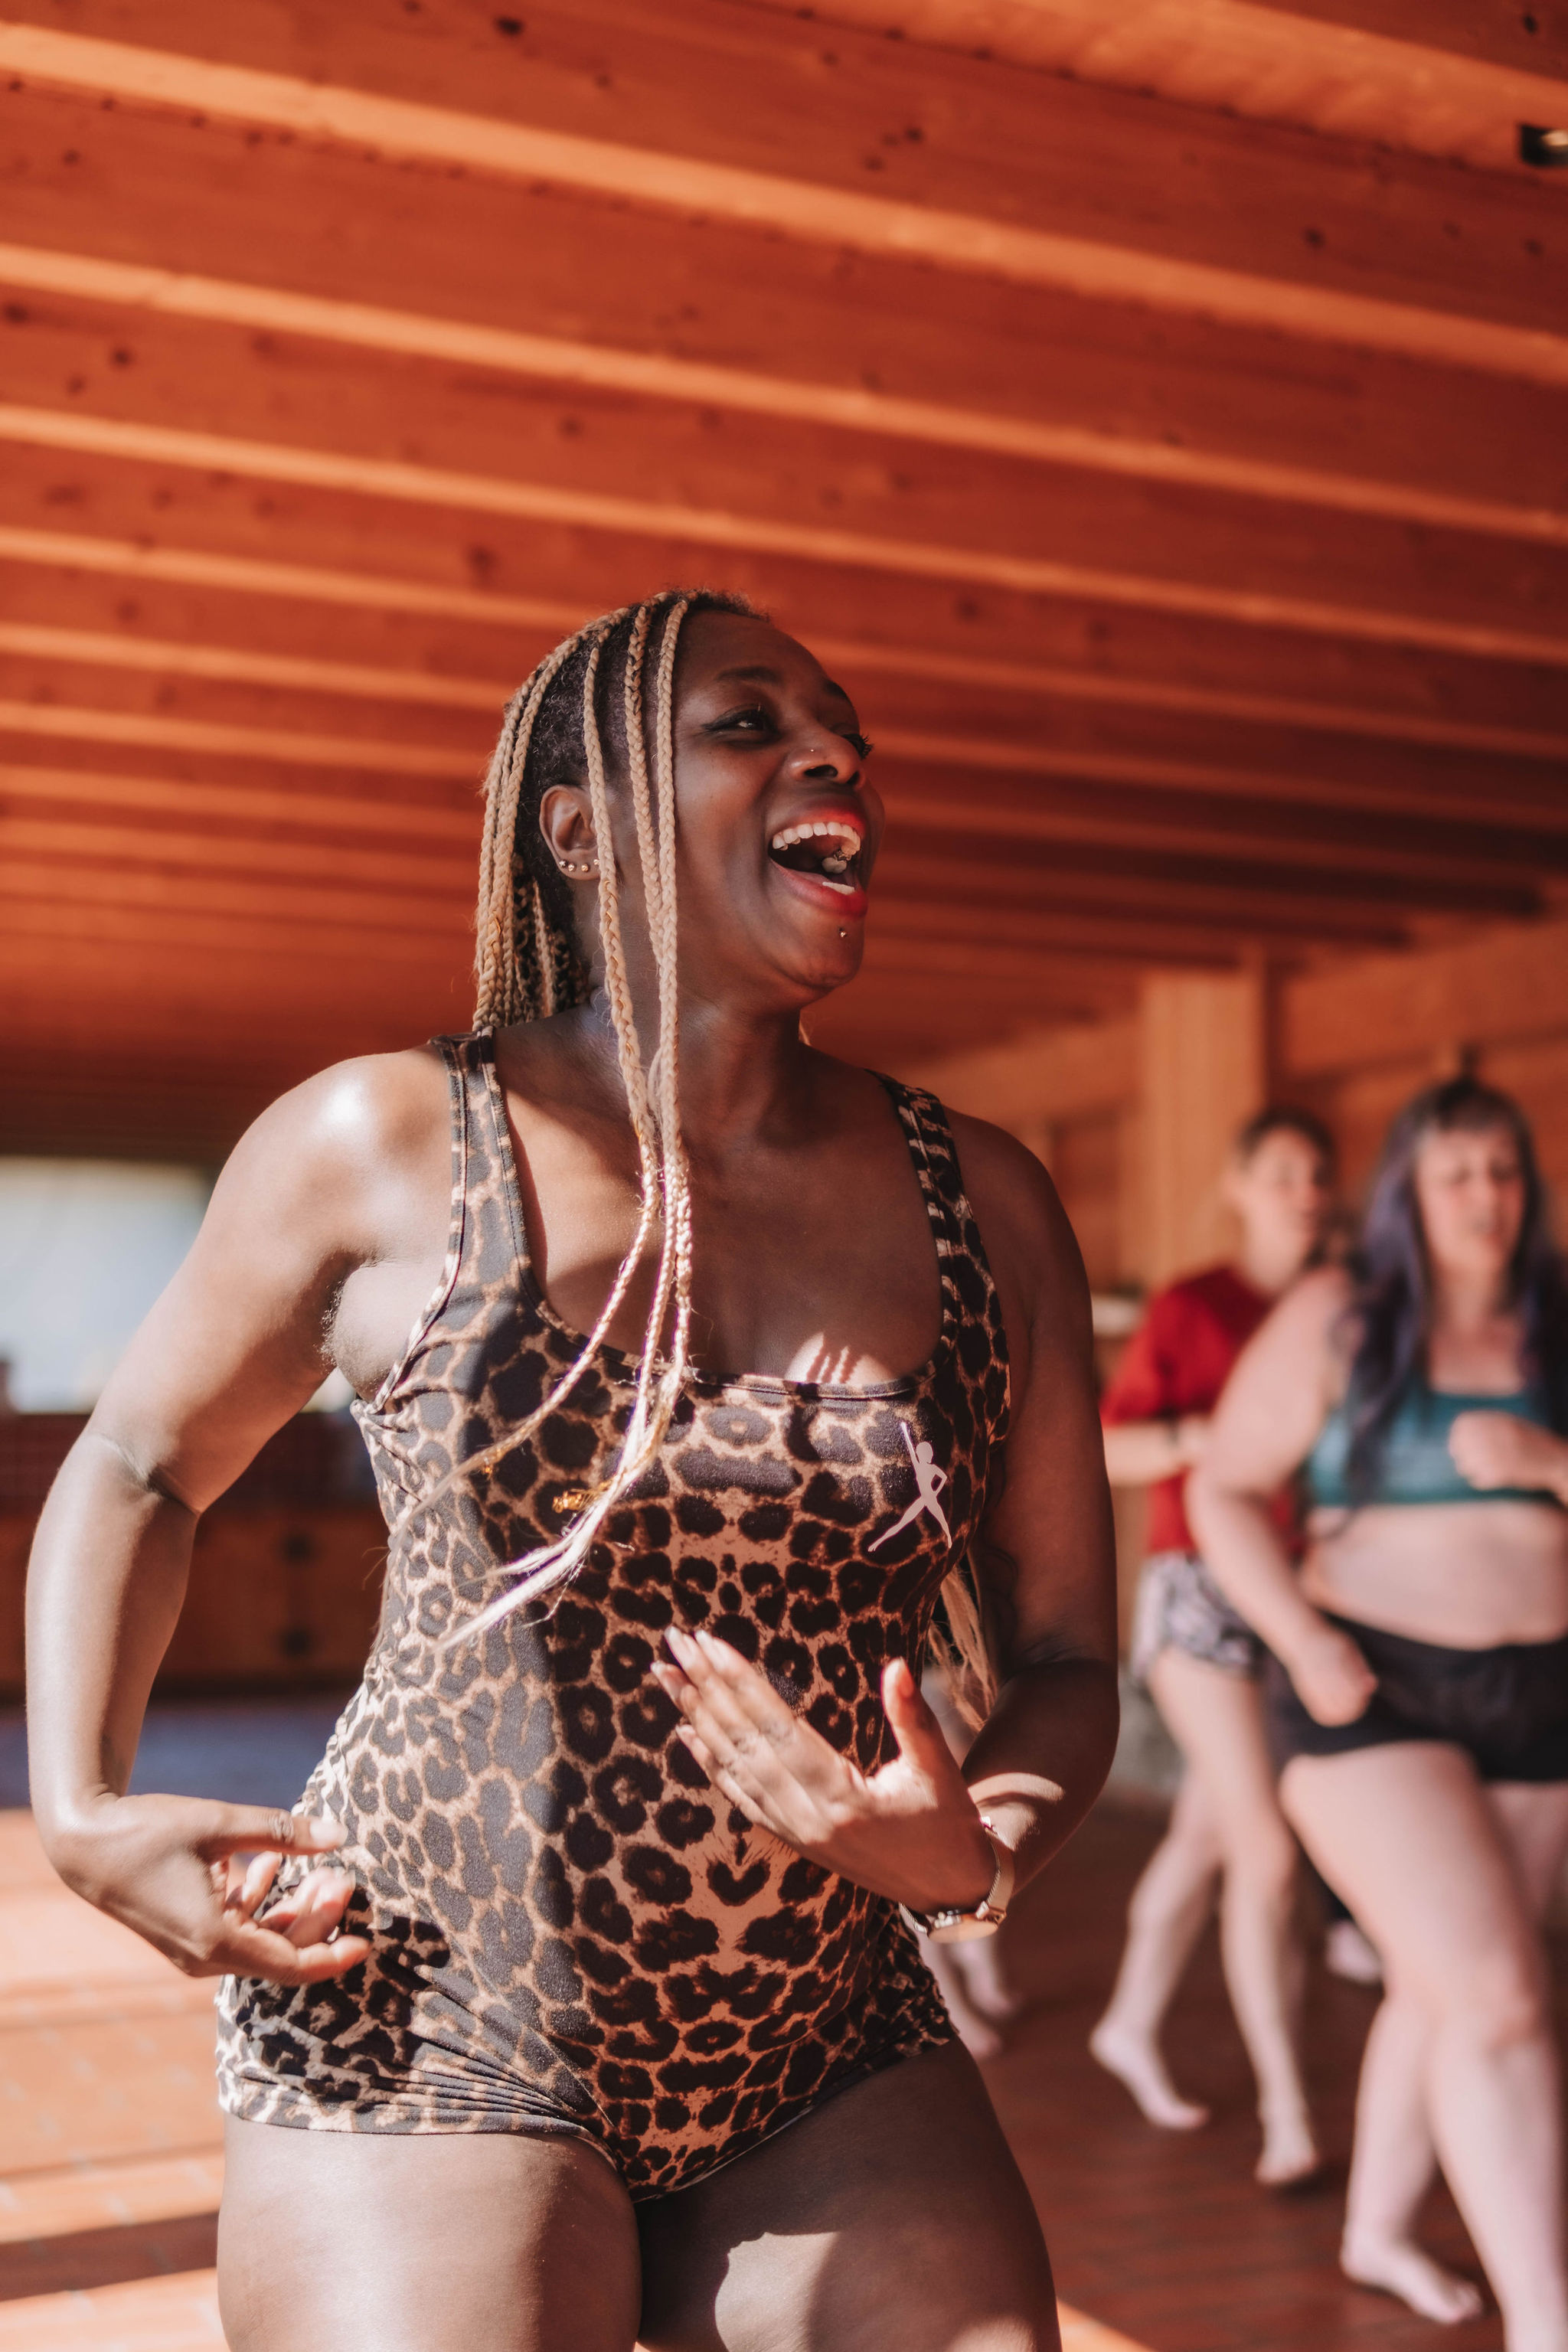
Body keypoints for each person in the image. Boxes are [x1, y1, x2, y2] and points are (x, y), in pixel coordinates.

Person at [25, 591, 1119, 2352]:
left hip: (817, 2033)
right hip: (427, 2002)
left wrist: (978, 1842)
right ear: (582, 829)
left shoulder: (982, 1199)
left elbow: (1064, 1652)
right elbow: (143, 1462)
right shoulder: (383, 1138)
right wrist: (79, 1817)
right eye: (749, 725)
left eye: (840, 726)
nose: (831, 752)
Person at [1191, 1077, 1568, 2347]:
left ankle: (1376, 2232)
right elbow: (1226, 1490)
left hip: (1543, 1695)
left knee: (1440, 1983)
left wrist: (1550, 1463)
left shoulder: (1555, 1326)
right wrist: (1299, 1640)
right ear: (1408, 1191)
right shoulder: (1342, 1318)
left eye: (1504, 1170)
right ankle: (1546, 2319)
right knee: (1500, 1990)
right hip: (1373, 1685)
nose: (1486, 1197)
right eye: (1456, 1172)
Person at [1089, 1108, 1334, 2186]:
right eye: (1282, 1173)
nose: (1305, 1191)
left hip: (1300, 1595)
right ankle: (1290, 2112)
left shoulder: (1350, 1307)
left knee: (1207, 1836)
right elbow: (1108, 1446)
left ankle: (1128, 2026)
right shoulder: (1194, 1306)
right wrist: (1208, 1442)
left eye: (1319, 1174)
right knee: (1269, 1852)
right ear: (1239, 1186)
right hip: (1196, 1594)